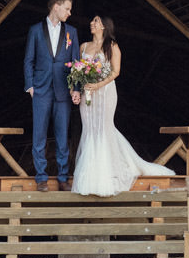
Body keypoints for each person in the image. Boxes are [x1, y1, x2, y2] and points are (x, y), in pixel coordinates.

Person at [71, 15, 175, 196]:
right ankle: (89, 174)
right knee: (89, 129)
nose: (91, 23)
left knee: (103, 128)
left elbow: (115, 71)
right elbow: (78, 70)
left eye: (95, 21)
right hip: (88, 93)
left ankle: (109, 174)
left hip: (105, 93)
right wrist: (80, 89)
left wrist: (97, 85)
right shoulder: (84, 46)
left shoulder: (112, 46)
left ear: (103, 26)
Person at [23, 0, 79, 189]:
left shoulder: (71, 32)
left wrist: (76, 88)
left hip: (63, 90)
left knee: (62, 135)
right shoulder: (36, 30)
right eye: (67, 9)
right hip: (40, 89)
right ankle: (41, 178)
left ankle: (63, 178)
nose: (69, 13)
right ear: (56, 7)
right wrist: (29, 85)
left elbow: (77, 63)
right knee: (39, 135)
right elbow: (28, 60)